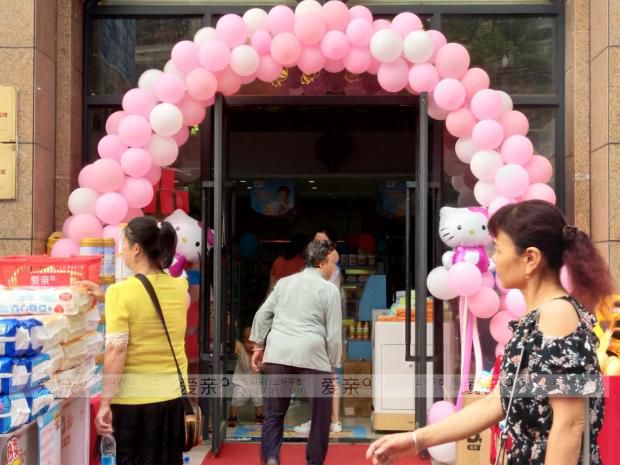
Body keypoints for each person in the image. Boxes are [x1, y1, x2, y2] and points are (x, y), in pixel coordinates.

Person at [366, 200, 612, 465]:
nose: (493, 258)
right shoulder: (540, 317)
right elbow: (494, 403)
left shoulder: (557, 314)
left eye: (499, 248)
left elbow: (570, 425)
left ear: (530, 258)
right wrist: (417, 439)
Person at [94, 217, 189, 465]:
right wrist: (106, 297)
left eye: (123, 244)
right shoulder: (180, 287)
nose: (121, 250)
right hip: (171, 398)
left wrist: (105, 402)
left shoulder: (120, 292)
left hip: (133, 402)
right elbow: (150, 310)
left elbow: (116, 350)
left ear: (136, 249)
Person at [250, 240, 343, 465]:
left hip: (278, 351)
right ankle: (314, 462)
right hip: (312, 353)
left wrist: (258, 345)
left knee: (274, 413)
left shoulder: (283, 284)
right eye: (333, 263)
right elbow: (333, 335)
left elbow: (262, 315)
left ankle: (271, 459)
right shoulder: (329, 290)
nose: (335, 269)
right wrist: (332, 366)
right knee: (321, 415)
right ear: (322, 263)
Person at [295, 229, 343, 435]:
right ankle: (327, 420)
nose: (315, 245)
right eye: (315, 241)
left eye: (321, 242)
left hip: (320, 328)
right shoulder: (323, 268)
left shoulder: (330, 270)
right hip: (318, 329)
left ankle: (330, 420)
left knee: (326, 377)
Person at [227, 326, 264, 427]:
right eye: (248, 342)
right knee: (236, 400)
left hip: (255, 383)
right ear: (243, 341)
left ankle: (259, 416)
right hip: (241, 383)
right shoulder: (241, 349)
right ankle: (232, 417)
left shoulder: (259, 352)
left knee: (258, 400)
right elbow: (234, 342)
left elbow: (263, 365)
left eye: (254, 342)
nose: (251, 345)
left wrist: (261, 366)